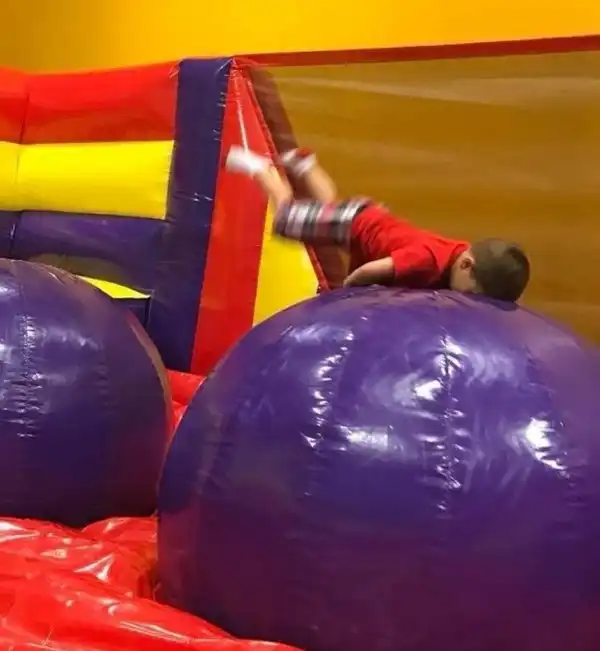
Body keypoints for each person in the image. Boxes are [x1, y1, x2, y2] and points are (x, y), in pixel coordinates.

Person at [225, 146, 530, 302]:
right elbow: (372, 271)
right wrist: (345, 294)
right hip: (355, 223)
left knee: (328, 204)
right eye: (472, 295)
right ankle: (261, 168)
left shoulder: (459, 258)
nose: (467, 300)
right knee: (285, 218)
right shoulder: (427, 260)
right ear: (466, 265)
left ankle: (306, 164)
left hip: (366, 221)